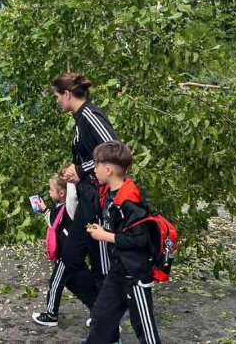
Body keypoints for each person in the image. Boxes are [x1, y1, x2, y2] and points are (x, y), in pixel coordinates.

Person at [81, 141, 161, 344]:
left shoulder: (129, 198)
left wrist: (105, 236)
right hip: (118, 271)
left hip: (135, 275)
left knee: (145, 330)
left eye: (96, 165)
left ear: (108, 169)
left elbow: (140, 239)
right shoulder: (108, 193)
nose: (94, 170)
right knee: (100, 318)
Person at [53, 72, 119, 289]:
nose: (57, 101)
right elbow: (91, 156)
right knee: (73, 255)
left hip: (99, 197)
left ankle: (106, 308)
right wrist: (75, 171)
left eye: (57, 96)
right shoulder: (79, 118)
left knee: (100, 259)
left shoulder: (90, 114)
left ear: (67, 94)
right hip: (87, 195)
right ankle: (99, 305)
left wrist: (82, 169)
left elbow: (115, 149)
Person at [32, 165, 98, 328]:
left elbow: (66, 204)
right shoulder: (64, 207)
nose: (49, 192)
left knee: (56, 282)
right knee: (80, 283)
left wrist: (45, 209)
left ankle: (51, 315)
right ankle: (100, 314)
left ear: (62, 193)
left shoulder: (70, 206)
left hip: (68, 253)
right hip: (75, 252)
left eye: (51, 190)